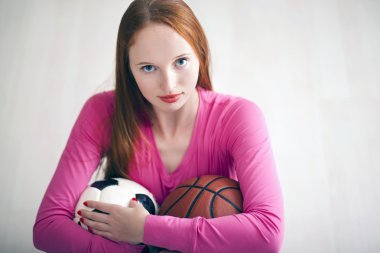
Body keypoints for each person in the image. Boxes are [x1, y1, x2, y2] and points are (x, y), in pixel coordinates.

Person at [33, 0, 284, 252]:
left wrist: (145, 230)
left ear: (200, 54)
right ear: (129, 69)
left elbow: (268, 233)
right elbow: (47, 227)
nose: (169, 84)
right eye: (149, 68)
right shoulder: (102, 112)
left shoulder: (239, 117)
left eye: (181, 62)